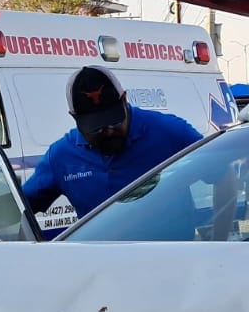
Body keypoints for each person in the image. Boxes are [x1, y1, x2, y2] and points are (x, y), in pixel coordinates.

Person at [21, 66, 204, 216]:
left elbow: (223, 174)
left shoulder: (169, 132)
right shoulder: (61, 157)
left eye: (115, 121)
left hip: (172, 258)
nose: (108, 131)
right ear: (74, 118)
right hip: (99, 260)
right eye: (96, 128)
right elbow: (20, 209)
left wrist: (222, 229)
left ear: (124, 100)